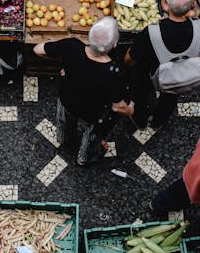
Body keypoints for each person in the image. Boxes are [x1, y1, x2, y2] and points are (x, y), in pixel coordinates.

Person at [125, 0, 200, 130]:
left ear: (165, 5)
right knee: (170, 98)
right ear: (193, 6)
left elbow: (130, 59)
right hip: (179, 76)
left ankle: (140, 121)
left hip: (150, 73)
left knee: (140, 95)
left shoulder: (151, 31)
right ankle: (158, 122)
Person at [33, 16, 132, 165]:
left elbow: (38, 50)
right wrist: (130, 110)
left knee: (64, 122)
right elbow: (117, 106)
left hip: (68, 100)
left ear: (89, 35)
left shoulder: (71, 46)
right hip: (94, 112)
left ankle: (65, 139)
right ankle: (84, 157)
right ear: (114, 45)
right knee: (93, 137)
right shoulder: (114, 72)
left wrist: (67, 63)